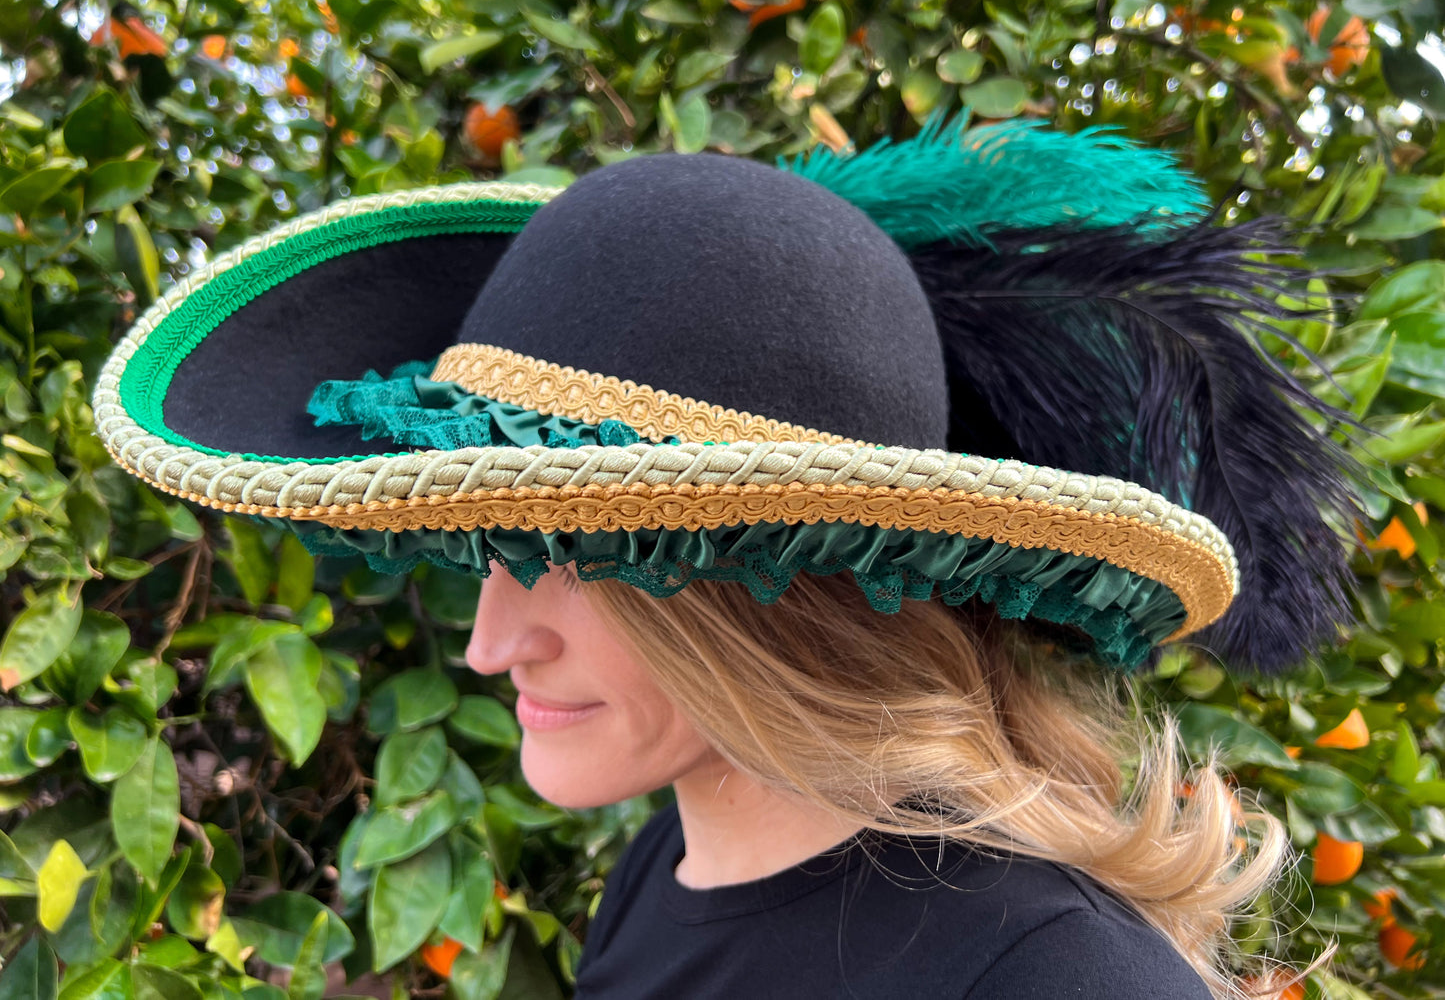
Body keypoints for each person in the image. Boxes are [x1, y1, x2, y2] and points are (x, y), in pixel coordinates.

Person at [95, 115, 1355, 999]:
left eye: (580, 552)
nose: (489, 642)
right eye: (494, 545)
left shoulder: (1043, 975)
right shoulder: (664, 866)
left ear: (782, 581)